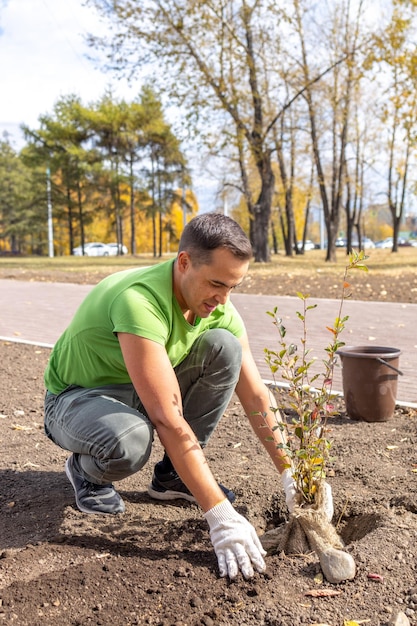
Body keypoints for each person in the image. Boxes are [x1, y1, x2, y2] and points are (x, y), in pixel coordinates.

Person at [44, 213, 331, 580]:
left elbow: (257, 395)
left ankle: (172, 478)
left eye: (232, 287)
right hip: (77, 399)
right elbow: (165, 415)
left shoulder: (216, 305)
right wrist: (221, 516)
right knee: (130, 440)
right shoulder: (139, 301)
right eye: (216, 284)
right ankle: (87, 473)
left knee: (225, 347)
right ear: (184, 262)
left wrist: (292, 471)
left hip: (140, 389)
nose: (223, 300)